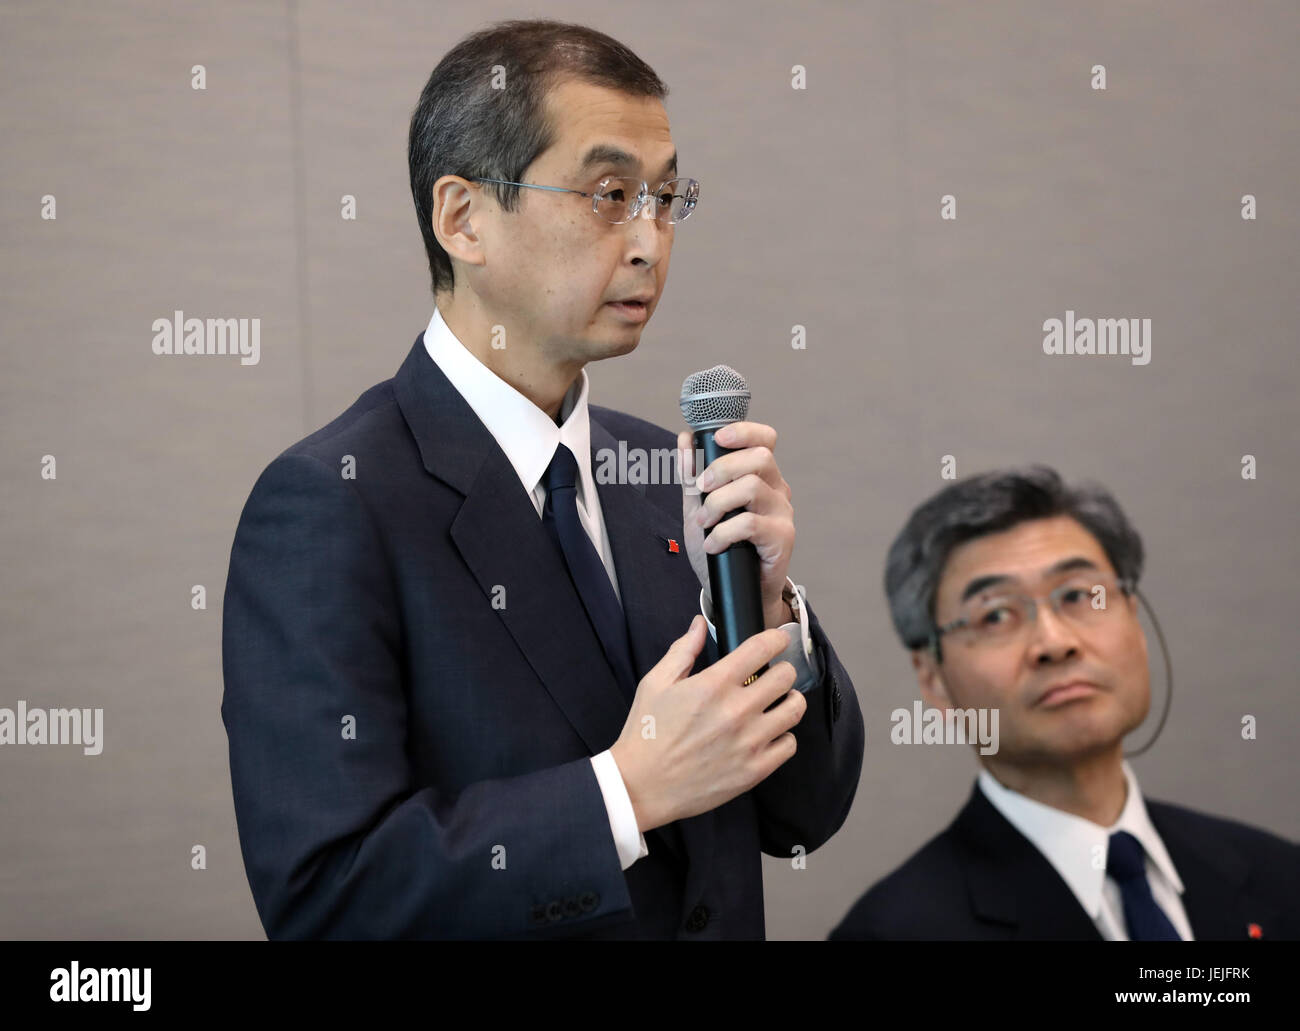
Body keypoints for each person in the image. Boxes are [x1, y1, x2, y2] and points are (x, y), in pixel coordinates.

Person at [221, 19, 863, 940]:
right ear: (463, 217)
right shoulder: (333, 502)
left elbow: (805, 814)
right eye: (609, 194)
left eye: (666, 196)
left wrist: (767, 609)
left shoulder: (665, 471)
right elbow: (329, 897)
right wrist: (624, 794)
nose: (650, 241)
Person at [830, 466, 1297, 941]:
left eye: (1079, 595)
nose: (1054, 642)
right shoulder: (894, 932)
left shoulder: (1281, 877)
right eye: (995, 615)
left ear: (1134, 619)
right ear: (933, 678)